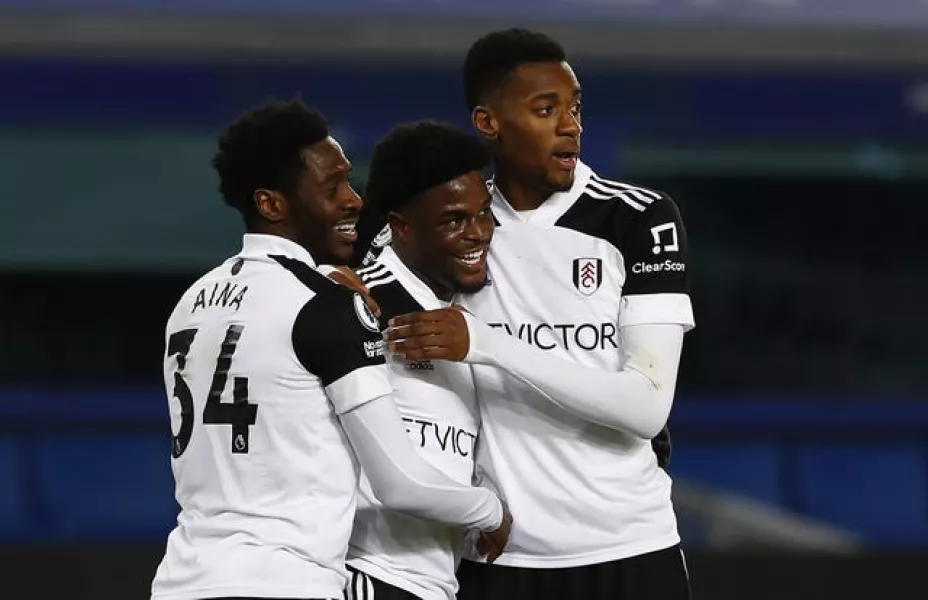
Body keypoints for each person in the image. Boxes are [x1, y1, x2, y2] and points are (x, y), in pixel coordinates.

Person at [149, 99, 508, 600]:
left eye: (349, 182)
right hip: (284, 582)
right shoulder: (327, 305)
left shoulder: (191, 303)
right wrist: (490, 511)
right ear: (272, 204)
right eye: (332, 187)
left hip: (181, 582)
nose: (355, 201)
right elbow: (399, 482)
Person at [381, 29, 694, 599]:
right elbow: (363, 286)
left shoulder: (639, 220)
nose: (570, 125)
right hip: (501, 557)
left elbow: (647, 407)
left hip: (631, 548)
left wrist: (487, 343)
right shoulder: (458, 226)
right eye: (545, 110)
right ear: (488, 122)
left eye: (574, 108)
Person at [343, 120, 508, 600]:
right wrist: (490, 511)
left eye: (484, 214)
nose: (478, 234)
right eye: (454, 220)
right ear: (401, 227)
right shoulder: (356, 303)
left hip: (437, 580)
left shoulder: (470, 310)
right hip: (366, 572)